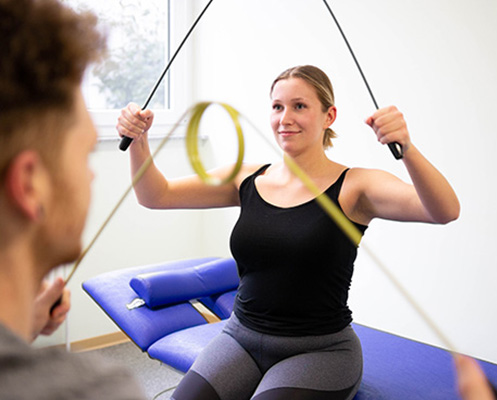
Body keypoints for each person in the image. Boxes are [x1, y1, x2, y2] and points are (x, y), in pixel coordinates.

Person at [117, 64, 460, 400]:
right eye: (277, 107)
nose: (285, 118)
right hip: (239, 338)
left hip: (320, 351)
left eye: (300, 106)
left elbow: (444, 210)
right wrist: (138, 140)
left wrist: (407, 148)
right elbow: (155, 195)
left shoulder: (355, 186)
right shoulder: (246, 178)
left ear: (329, 116)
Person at [0, 0, 147, 398]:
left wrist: (19, 327)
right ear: (31, 185)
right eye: (84, 155)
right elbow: (156, 195)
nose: (91, 173)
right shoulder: (95, 390)